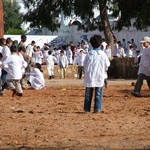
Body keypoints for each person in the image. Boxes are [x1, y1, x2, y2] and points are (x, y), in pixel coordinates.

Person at [83, 35, 110, 113]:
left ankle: (86, 109)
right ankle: (97, 109)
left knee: (88, 93)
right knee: (98, 93)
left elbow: (84, 64)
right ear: (100, 44)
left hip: (90, 76)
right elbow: (107, 64)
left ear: (91, 44)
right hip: (99, 75)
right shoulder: (103, 54)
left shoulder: (89, 54)